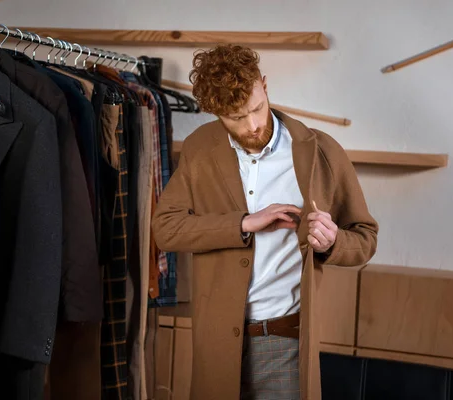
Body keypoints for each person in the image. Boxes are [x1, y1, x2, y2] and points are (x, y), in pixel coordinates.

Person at [151, 45, 378, 400]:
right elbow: (165, 228)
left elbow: (365, 239)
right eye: (235, 118)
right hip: (215, 344)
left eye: (256, 108)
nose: (252, 125)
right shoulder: (199, 148)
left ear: (265, 85)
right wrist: (243, 223)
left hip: (285, 342)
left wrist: (332, 242)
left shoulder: (321, 151)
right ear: (214, 113)